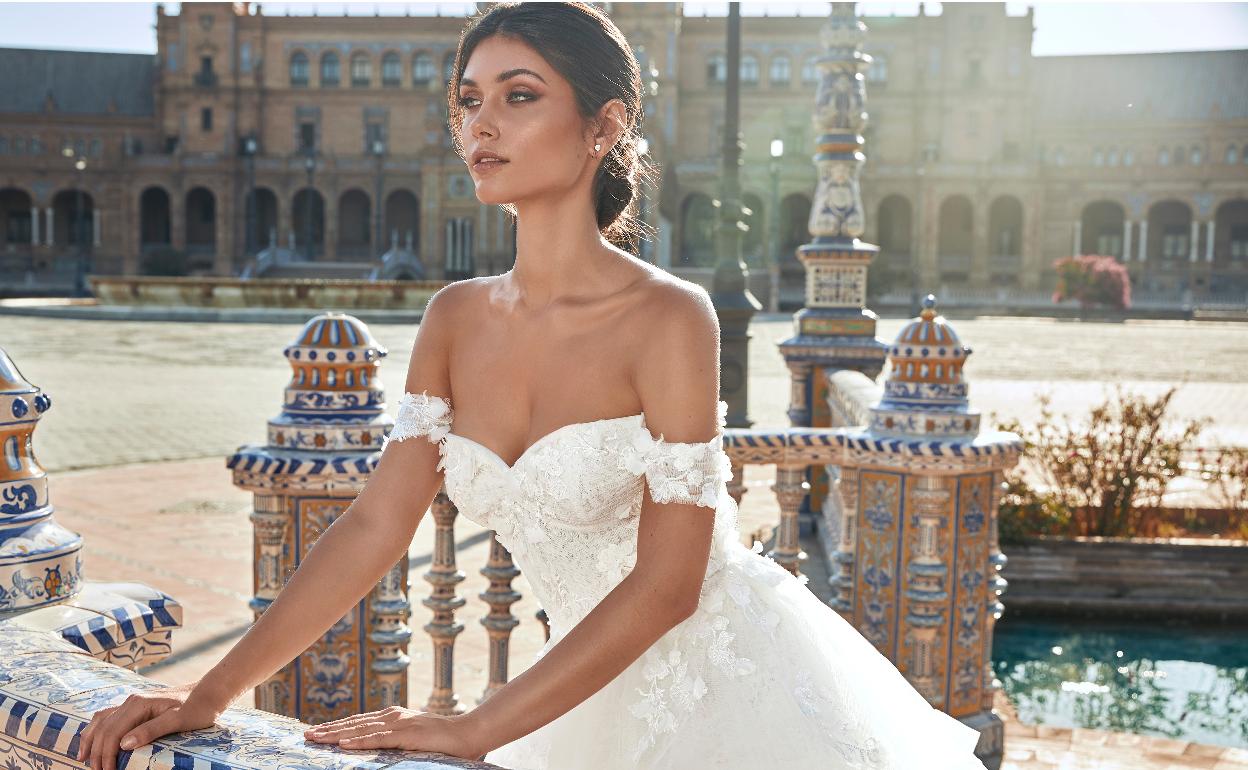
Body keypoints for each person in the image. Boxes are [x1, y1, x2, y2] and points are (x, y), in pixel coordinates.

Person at [76, 3, 988, 768]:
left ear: (606, 125)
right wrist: (211, 691)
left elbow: (669, 587)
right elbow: (373, 526)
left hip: (723, 685)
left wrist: (477, 726)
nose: (481, 124)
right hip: (574, 688)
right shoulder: (454, 318)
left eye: (520, 97)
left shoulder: (672, 318)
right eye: (468, 100)